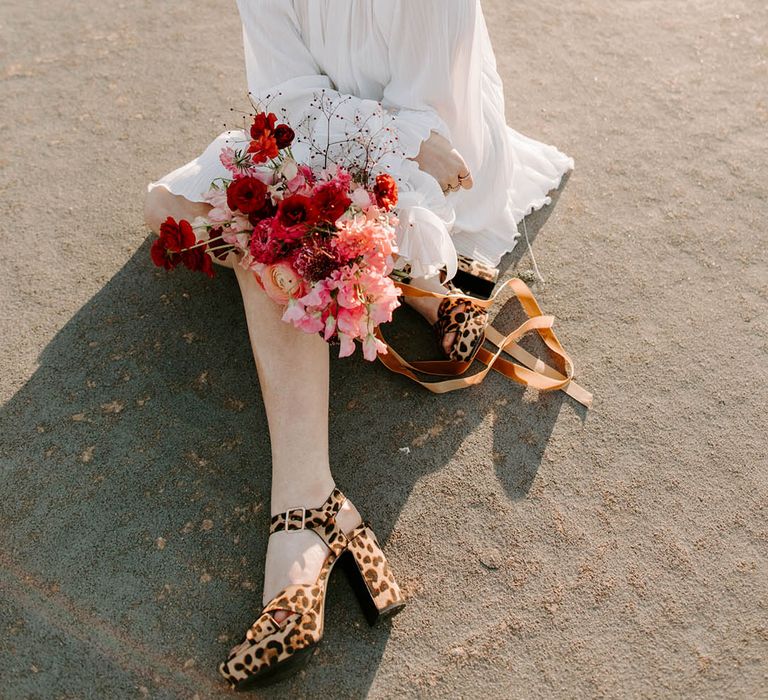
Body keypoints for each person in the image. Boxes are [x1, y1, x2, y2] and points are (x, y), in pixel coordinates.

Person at [143, 0, 573, 687]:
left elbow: (435, 142)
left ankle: (304, 508)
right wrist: (354, 150)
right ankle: (429, 300)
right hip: (339, 136)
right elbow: (285, 99)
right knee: (185, 212)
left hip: (440, 171)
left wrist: (377, 151)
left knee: (273, 228)